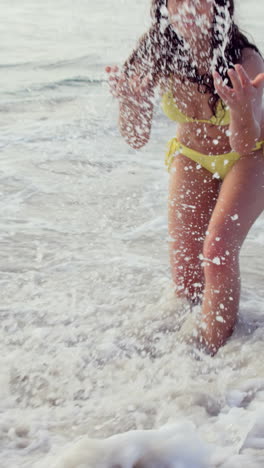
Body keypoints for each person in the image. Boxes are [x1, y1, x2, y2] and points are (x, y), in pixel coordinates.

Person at [105, 0, 264, 355]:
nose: (188, 5)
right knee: (187, 281)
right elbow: (135, 138)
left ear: (219, 5)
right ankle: (182, 359)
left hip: (250, 156)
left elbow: (245, 141)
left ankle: (216, 358)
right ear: (164, 6)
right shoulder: (155, 52)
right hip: (192, 156)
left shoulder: (244, 58)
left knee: (218, 251)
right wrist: (132, 104)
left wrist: (239, 108)